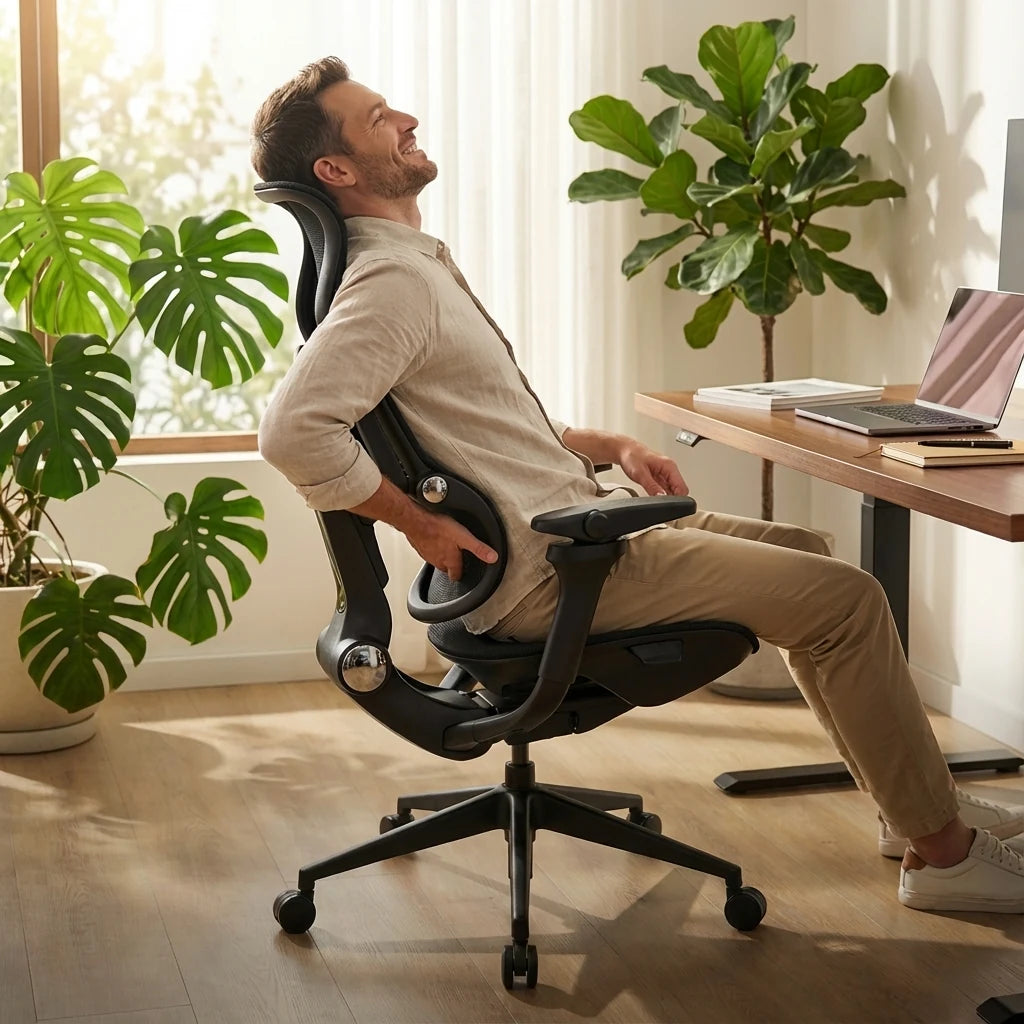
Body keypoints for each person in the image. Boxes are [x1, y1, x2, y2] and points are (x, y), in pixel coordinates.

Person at [251, 57, 1024, 914]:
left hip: (569, 529)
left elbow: (475, 428)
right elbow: (293, 432)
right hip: (553, 571)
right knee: (844, 600)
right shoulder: (392, 280)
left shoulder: (408, 265)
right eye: (379, 118)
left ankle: (906, 806)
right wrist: (416, 525)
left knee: (807, 554)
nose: (408, 120)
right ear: (337, 169)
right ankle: (944, 856)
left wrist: (606, 444)